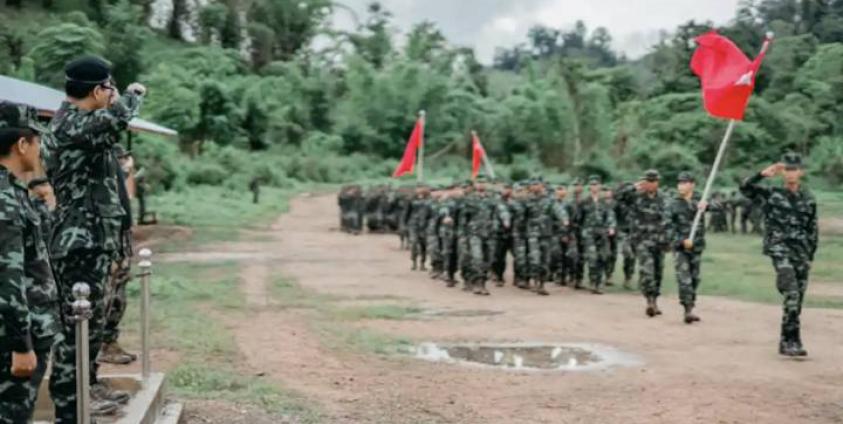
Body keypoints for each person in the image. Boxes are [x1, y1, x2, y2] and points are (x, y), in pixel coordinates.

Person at [45, 57, 143, 422]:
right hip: (77, 241)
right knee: (76, 326)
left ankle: (87, 386)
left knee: (93, 321)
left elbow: (111, 126)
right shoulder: (72, 123)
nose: (113, 95)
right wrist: (132, 94)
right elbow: (119, 117)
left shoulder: (86, 124)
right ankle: (69, 403)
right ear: (98, 90)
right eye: (109, 88)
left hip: (92, 237)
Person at [0, 102, 61, 423]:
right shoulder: (5, 199)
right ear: (22, 144)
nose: (40, 149)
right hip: (13, 338)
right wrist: (21, 344)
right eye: (37, 141)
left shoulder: (15, 191)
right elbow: (8, 277)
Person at [741, 153, 817, 357]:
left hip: (800, 252)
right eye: (787, 169)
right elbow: (745, 189)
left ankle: (787, 341)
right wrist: (761, 174)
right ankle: (792, 341)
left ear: (801, 171)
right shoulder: (772, 193)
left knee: (796, 299)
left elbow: (812, 229)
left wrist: (810, 255)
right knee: (792, 292)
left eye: (794, 169)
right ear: (781, 172)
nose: (790, 173)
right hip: (779, 248)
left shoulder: (808, 198)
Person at [99, 145, 138, 365]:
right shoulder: (102, 168)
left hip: (122, 235)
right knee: (107, 293)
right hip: (110, 236)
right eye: (121, 157)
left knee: (118, 292)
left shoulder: (116, 172)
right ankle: (101, 345)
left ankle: (109, 341)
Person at [618, 170, 670, 317]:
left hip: (659, 241)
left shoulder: (665, 198)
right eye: (648, 181)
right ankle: (650, 301)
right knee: (647, 270)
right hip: (641, 240)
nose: (651, 184)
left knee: (658, 272)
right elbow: (619, 196)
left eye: (653, 181)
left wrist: (669, 239)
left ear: (658, 182)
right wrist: (633, 187)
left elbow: (670, 219)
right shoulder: (635, 197)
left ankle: (655, 299)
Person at [668, 172, 707, 324]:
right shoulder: (673, 204)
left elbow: (719, 207)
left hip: (697, 246)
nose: (681, 186)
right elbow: (668, 227)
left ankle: (691, 305)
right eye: (679, 183)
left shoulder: (700, 200)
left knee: (695, 279)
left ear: (692, 184)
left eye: (684, 183)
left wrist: (706, 206)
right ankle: (688, 310)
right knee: (684, 279)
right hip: (680, 248)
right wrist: (681, 241)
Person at [576, 176, 615, 295]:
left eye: (596, 184)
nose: (594, 187)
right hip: (589, 233)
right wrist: (580, 231)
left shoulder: (604, 202)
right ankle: (593, 283)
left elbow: (610, 215)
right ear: (589, 187)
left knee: (603, 257)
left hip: (602, 233)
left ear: (599, 186)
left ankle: (598, 282)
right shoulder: (584, 201)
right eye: (592, 184)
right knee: (592, 258)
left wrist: (611, 227)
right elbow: (578, 218)